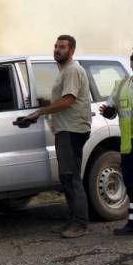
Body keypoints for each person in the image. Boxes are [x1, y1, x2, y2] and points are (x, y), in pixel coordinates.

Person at [26, 35, 92, 238]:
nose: (57, 49)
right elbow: (61, 99)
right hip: (65, 129)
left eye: (62, 47)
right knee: (66, 177)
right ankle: (72, 220)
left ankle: (80, 224)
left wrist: (40, 112)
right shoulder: (64, 71)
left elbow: (67, 101)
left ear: (71, 50)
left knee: (72, 177)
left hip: (73, 130)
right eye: (55, 46)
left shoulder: (72, 70)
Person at [100, 50, 133, 235]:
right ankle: (132, 222)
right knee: (131, 184)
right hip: (128, 144)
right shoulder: (121, 86)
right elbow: (112, 109)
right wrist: (107, 112)